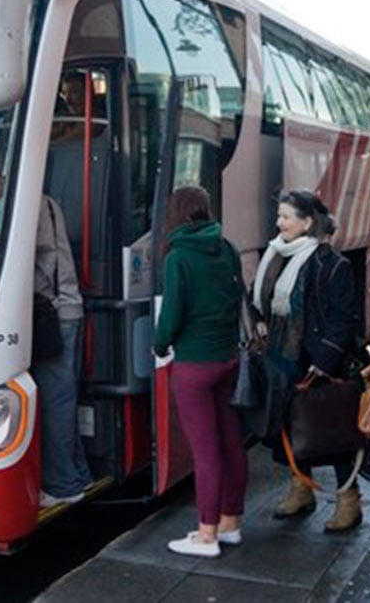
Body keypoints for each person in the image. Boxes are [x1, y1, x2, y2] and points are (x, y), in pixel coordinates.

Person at [251, 191, 362, 529]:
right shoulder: (276, 254)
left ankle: (349, 500)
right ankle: (301, 488)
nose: (278, 222)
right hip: (282, 358)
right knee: (289, 427)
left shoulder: (332, 264)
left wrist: (325, 361)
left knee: (332, 430)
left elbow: (344, 318)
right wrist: (259, 317)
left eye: (286, 216)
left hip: (318, 362)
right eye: (280, 216)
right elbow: (259, 296)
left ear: (307, 222)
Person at [154, 186, 246, 558]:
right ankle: (231, 523)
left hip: (193, 365)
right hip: (227, 360)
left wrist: (160, 345)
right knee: (230, 444)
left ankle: (206, 535)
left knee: (204, 452)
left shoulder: (178, 257)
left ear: (175, 215)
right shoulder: (226, 248)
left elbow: (171, 315)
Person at [32, 193, 92, 508]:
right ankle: (77, 476)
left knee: (55, 401)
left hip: (54, 316)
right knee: (63, 398)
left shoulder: (33, 203)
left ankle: (62, 485)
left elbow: (26, 257)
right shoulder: (49, 202)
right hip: (63, 312)